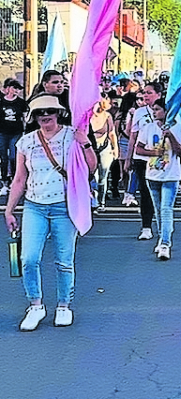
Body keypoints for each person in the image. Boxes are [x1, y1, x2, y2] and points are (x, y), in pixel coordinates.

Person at [7, 94, 97, 331]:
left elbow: (91, 167)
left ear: (58, 113)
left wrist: (85, 142)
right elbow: (19, 179)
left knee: (64, 260)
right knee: (29, 258)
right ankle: (35, 305)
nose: (45, 116)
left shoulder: (71, 135)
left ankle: (64, 305)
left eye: (49, 111)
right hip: (34, 206)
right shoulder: (25, 142)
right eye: (39, 113)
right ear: (33, 117)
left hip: (64, 206)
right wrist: (9, 210)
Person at [134, 98, 181, 260]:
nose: (155, 112)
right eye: (153, 109)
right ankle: (161, 235)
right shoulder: (148, 128)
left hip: (171, 175)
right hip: (152, 174)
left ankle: (165, 243)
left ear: (166, 111)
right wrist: (153, 153)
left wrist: (170, 136)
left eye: (157, 109)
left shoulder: (179, 127)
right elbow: (139, 148)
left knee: (166, 208)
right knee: (158, 210)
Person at [124, 82, 162, 240]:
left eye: (149, 93)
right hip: (142, 158)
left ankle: (162, 224)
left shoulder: (168, 110)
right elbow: (132, 135)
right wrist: (128, 157)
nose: (146, 96)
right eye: (144, 93)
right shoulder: (139, 112)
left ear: (158, 94)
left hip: (160, 158)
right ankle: (146, 226)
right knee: (145, 193)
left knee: (160, 193)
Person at [89, 96, 116, 211]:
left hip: (104, 147)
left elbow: (112, 133)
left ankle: (102, 201)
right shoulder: (87, 116)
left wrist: (115, 148)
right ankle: (93, 201)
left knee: (102, 176)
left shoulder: (107, 116)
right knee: (92, 176)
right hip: (90, 148)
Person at [0, 77, 27, 193]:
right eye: (14, 88)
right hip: (2, 132)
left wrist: (25, 131)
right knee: (3, 157)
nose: (16, 90)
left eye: (18, 89)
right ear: (8, 88)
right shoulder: (1, 101)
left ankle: (13, 181)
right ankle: (4, 182)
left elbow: (25, 118)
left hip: (16, 132)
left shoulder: (21, 103)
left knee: (13, 156)